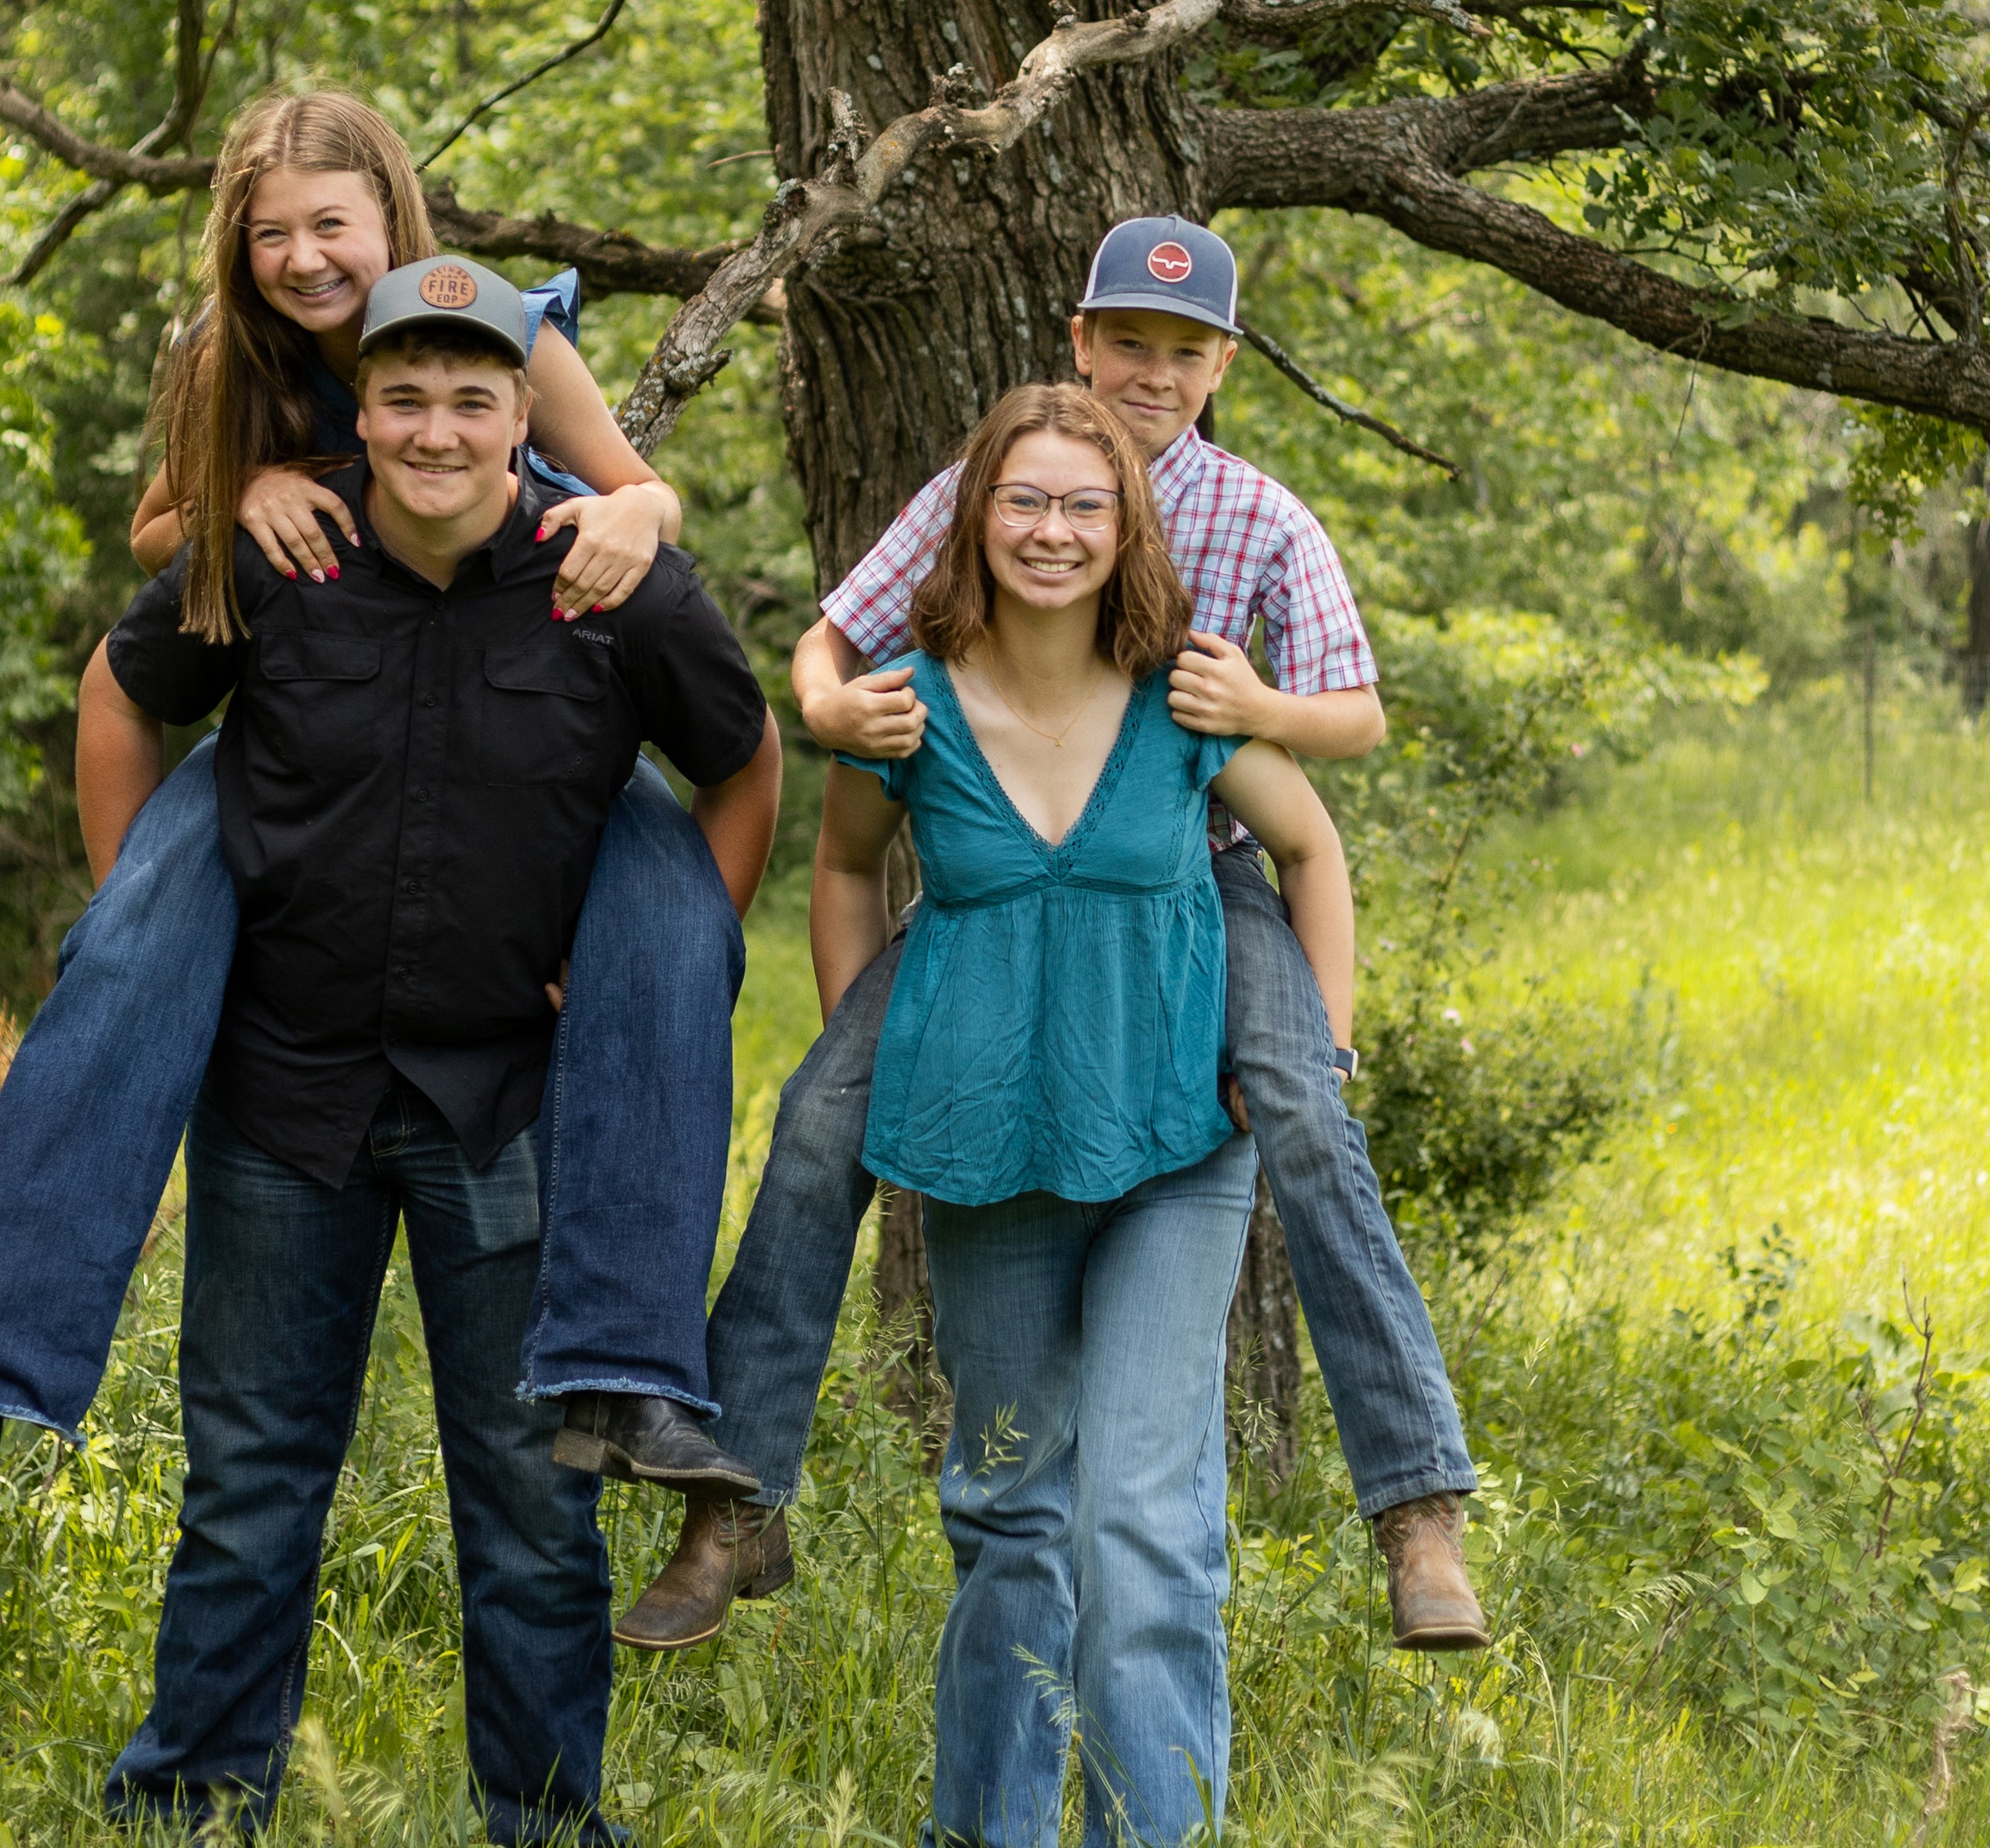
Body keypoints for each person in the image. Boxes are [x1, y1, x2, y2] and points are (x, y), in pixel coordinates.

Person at [0, 87, 757, 1500]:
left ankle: (635, 1379)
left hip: (537, 693)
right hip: (321, 707)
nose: (304, 258)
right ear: (236, 248)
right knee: (131, 936)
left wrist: (635, 515)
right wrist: (244, 491)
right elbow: (156, 538)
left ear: (392, 218)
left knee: (672, 927)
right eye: (270, 234)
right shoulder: (226, 358)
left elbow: (643, 494)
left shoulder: (507, 331)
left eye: (331, 226)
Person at [618, 214, 1489, 1657]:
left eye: (1184, 352)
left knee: (1303, 1098)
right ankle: (735, 1498)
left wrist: (1257, 709)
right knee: (821, 1118)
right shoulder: (1001, 487)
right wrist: (826, 708)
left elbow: (1354, 726)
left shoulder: (1259, 515)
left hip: (1198, 876)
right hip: (999, 894)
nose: (1153, 373)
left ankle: (1417, 1507)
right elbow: (838, 642)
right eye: (1127, 342)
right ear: (1081, 344)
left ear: (1222, 365)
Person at [82, 252, 778, 1846]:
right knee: (248, 1483)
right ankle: (191, 1812)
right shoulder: (282, 554)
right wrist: (138, 937)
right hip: (283, 1094)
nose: (439, 429)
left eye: (475, 398)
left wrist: (657, 974)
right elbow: (125, 693)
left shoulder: (613, 581)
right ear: (368, 411)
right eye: (406, 397)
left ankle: (547, 1840)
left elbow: (744, 766)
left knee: (535, 1499)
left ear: (525, 414)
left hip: (508, 1109)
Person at [813, 380, 1347, 1848]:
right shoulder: (904, 705)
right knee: (1006, 1504)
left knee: (1137, 1509)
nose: (1052, 531)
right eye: (1025, 501)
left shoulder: (1184, 694)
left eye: (1085, 505)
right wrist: (873, 1044)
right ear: (977, 516)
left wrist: (1320, 1055)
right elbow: (843, 871)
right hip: (988, 1153)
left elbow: (1310, 848)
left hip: (1179, 1145)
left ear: (1128, 531)